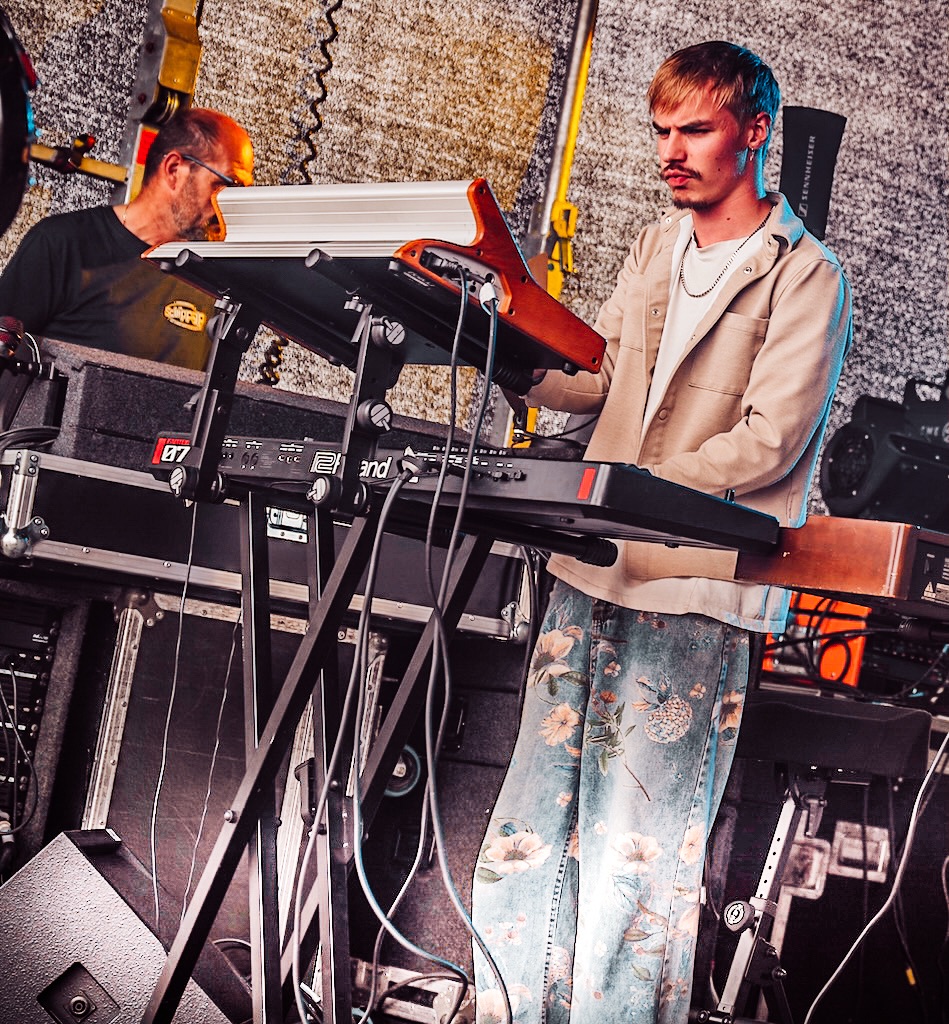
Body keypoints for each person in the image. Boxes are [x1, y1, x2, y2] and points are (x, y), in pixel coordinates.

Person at [470, 41, 852, 1024]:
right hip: (591, 570)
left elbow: (767, 441)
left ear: (754, 131)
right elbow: (596, 377)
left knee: (635, 864)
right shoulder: (653, 247)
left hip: (693, 594)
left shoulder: (806, 276)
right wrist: (499, 345)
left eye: (694, 130)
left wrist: (623, 488)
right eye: (660, 132)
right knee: (525, 838)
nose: (669, 152)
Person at [0, 107, 254, 370]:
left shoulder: (212, 280)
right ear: (174, 169)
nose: (232, 202)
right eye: (229, 185)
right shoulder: (61, 243)